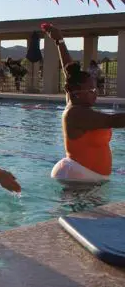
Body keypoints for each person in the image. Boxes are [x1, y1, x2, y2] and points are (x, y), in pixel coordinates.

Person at [44, 24, 125, 184]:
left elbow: (69, 72)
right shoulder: (76, 113)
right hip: (79, 180)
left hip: (86, 178)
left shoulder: (75, 102)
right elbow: (113, 121)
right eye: (91, 89)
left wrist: (59, 41)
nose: (95, 92)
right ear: (75, 93)